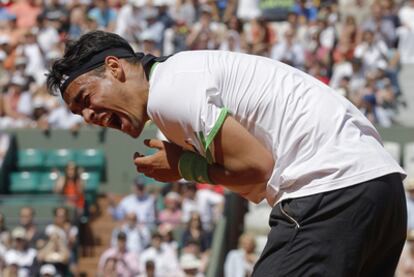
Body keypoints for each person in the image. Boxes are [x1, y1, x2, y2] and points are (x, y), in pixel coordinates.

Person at [47, 31, 407, 276]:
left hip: (330, 189)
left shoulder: (168, 93)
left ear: (114, 67)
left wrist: (184, 166)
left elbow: (255, 168)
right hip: (380, 186)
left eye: (86, 99)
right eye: (80, 114)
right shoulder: (181, 76)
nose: (90, 116)